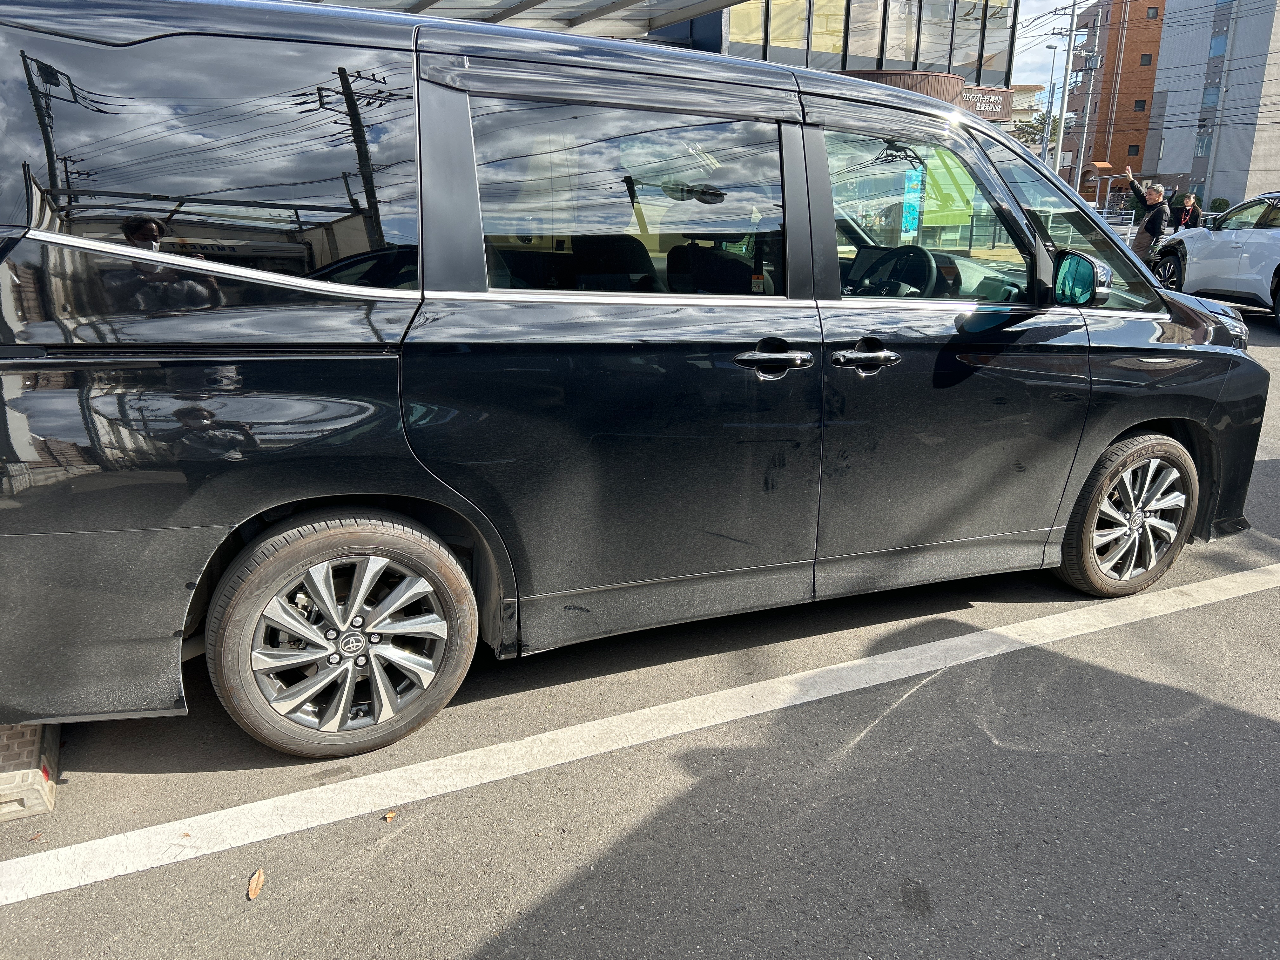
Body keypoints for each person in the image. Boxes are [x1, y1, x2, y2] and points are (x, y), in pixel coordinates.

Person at [103, 215, 224, 313]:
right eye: (144, 237)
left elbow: (216, 307)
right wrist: (148, 279)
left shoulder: (182, 282)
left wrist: (212, 287)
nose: (151, 243)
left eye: (155, 238)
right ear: (130, 239)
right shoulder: (116, 278)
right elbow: (108, 299)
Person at [1124, 166, 1170, 262]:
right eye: (1147, 194)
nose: (1147, 197)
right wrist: (1131, 180)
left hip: (1144, 253)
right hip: (1137, 249)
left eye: (1150, 194)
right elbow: (1140, 195)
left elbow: (1160, 233)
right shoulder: (1152, 206)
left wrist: (1153, 252)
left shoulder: (1162, 210)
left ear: (1159, 195)